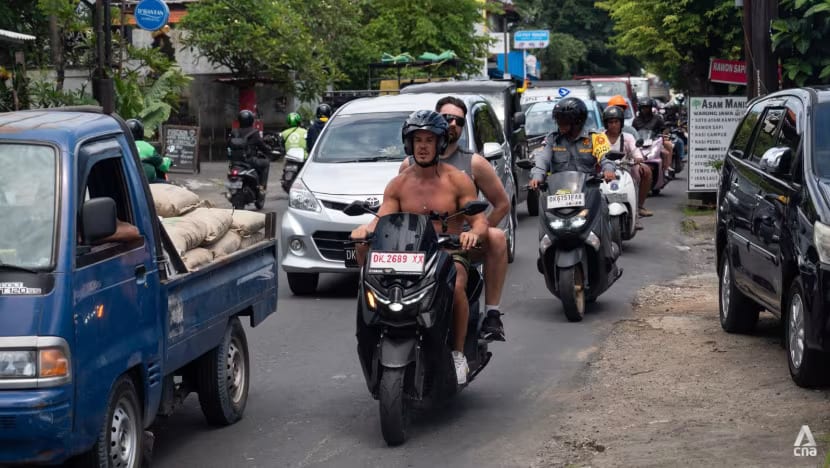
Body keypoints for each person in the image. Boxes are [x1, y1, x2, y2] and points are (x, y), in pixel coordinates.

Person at [351, 110, 489, 385]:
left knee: (457, 286)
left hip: (448, 252)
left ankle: (458, 353)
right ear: (409, 144)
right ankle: (375, 336)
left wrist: (473, 234)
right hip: (408, 255)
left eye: (429, 140)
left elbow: (479, 221)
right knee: (371, 277)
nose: (423, 146)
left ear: (440, 143)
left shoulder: (457, 180)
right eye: (417, 140)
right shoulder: (399, 184)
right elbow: (382, 219)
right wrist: (364, 230)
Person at [398, 96, 508, 341]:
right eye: (447, 118)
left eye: (459, 121)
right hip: (419, 244)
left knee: (497, 237)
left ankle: (492, 315)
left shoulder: (473, 163)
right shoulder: (408, 166)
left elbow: (502, 204)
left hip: (460, 241)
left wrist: (476, 232)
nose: (452, 124)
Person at [528, 97, 621, 279]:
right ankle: (544, 252)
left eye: (564, 120)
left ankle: (607, 254)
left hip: (587, 192)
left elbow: (605, 157)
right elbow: (543, 159)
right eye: (558, 120)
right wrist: (537, 176)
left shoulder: (595, 138)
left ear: (577, 121)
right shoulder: (553, 139)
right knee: (543, 210)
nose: (560, 124)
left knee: (603, 206)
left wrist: (608, 170)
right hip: (558, 194)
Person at [602, 106, 653, 227]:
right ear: (606, 123)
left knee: (644, 171)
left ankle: (636, 210)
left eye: (616, 122)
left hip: (624, 169)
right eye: (610, 122)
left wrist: (638, 158)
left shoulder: (628, 137)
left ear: (621, 123)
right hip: (603, 170)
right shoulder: (599, 138)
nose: (614, 125)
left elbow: (636, 151)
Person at [230, 109, 271, 195]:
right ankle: (262, 187)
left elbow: (228, 145)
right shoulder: (254, 133)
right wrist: (268, 150)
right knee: (266, 163)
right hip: (249, 161)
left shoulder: (234, 132)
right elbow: (262, 146)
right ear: (251, 120)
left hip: (234, 162)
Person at [632, 98, 674, 179]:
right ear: (640, 108)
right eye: (643, 107)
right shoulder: (636, 120)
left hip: (655, 141)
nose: (645, 109)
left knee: (667, 148)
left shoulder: (657, 118)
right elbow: (633, 132)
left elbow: (664, 129)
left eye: (647, 107)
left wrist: (664, 135)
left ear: (650, 108)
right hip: (640, 142)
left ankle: (666, 168)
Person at [126, 118, 171, 183]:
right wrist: (168, 160)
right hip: (146, 183)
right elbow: (163, 165)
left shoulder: (121, 144)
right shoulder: (146, 147)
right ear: (141, 132)